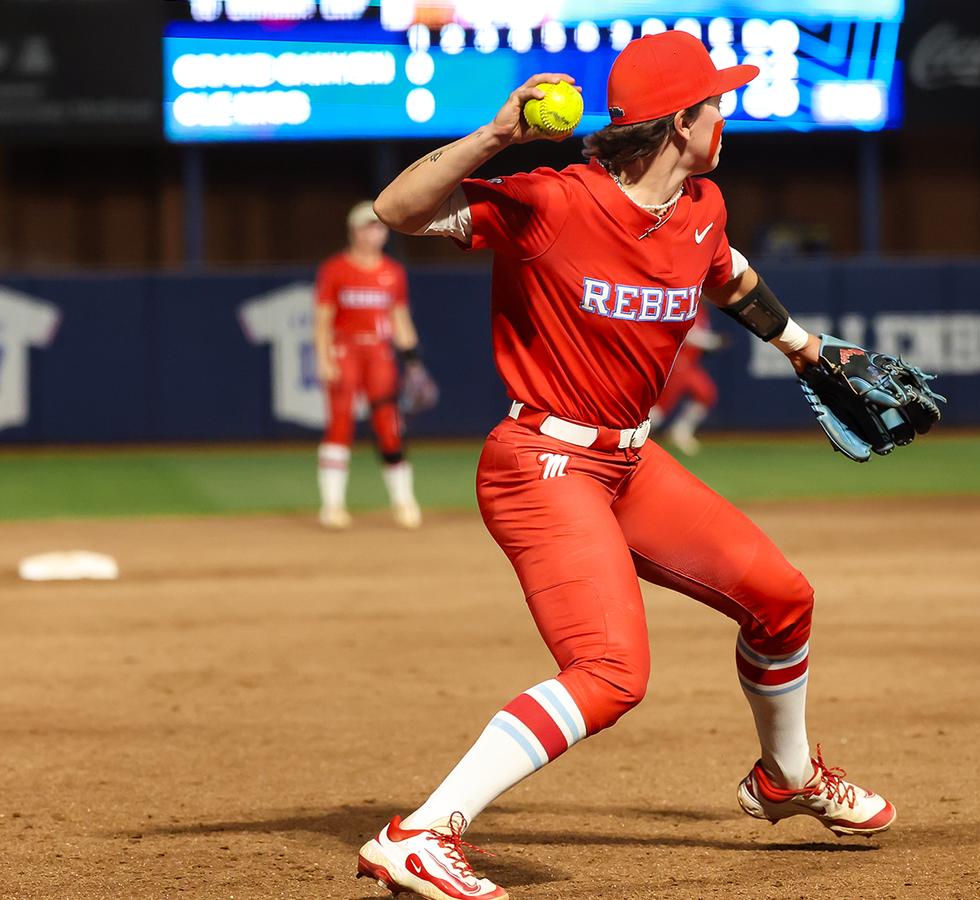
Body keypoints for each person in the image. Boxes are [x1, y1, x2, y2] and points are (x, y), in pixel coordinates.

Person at [357, 32, 894, 900]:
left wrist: (804, 350)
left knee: (782, 597)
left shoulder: (702, 206)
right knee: (610, 673)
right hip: (542, 462)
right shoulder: (553, 203)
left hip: (631, 466)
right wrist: (496, 136)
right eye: (716, 104)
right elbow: (398, 211)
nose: (728, 116)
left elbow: (725, 273)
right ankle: (420, 833)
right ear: (681, 122)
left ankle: (787, 778)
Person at [313, 201, 436, 529]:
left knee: (390, 427)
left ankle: (404, 502)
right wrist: (324, 358)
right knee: (339, 424)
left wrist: (413, 362)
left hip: (379, 355)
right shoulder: (336, 269)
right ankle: (332, 506)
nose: (375, 232)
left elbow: (400, 319)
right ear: (354, 231)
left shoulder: (391, 272)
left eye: (379, 226)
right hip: (345, 352)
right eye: (368, 226)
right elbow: (323, 320)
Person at [649, 302, 722, 455]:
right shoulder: (684, 303)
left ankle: (681, 431)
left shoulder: (702, 309)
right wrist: (713, 342)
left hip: (690, 365)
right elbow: (689, 334)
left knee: (706, 394)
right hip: (677, 364)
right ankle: (634, 437)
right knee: (662, 408)